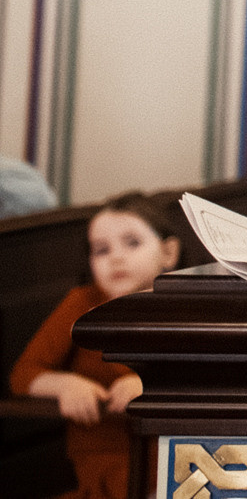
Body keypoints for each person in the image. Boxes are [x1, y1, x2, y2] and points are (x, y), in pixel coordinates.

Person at [10, 191, 183, 499]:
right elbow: (23, 374)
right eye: (101, 250)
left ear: (169, 253)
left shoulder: (187, 306)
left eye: (132, 243)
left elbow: (205, 376)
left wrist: (150, 386)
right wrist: (64, 385)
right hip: (105, 457)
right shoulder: (81, 304)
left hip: (174, 453)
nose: (116, 257)